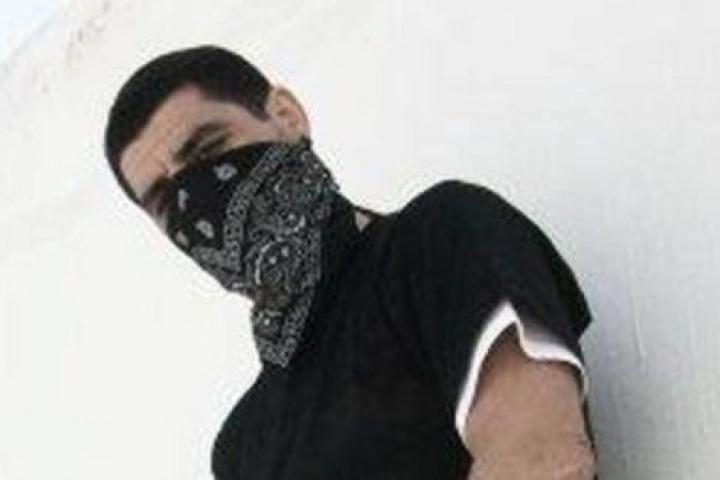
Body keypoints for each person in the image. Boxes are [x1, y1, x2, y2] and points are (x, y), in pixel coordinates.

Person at [103, 45, 598, 479]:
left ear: (287, 116)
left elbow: (540, 458)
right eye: (165, 201)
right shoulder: (242, 447)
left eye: (210, 149)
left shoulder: (436, 239)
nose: (196, 201)